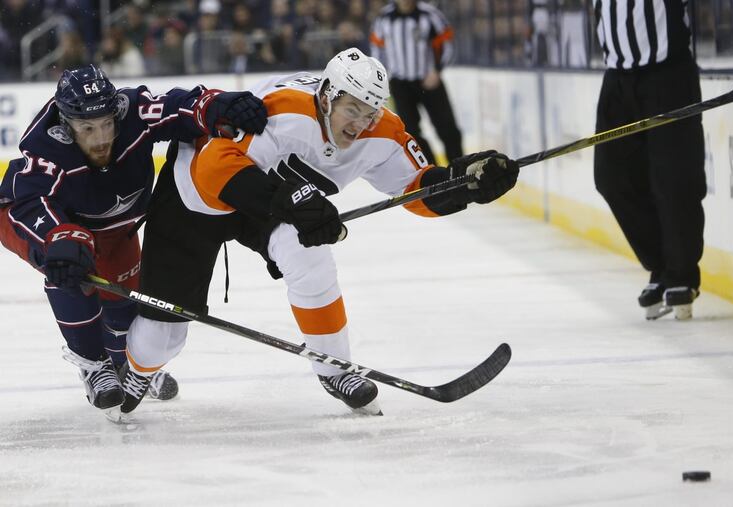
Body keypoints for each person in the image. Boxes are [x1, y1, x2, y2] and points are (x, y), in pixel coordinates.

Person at [118, 47, 519, 417]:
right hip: (197, 196)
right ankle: (137, 367)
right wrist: (291, 199)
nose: (362, 124)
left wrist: (460, 184)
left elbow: (413, 188)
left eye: (371, 112)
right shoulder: (283, 111)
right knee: (161, 338)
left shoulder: (384, 131)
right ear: (327, 97)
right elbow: (212, 168)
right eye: (353, 109)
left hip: (270, 199)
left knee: (310, 256)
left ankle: (335, 367)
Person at [0, 65, 268, 418]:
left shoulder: (134, 111)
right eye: (87, 128)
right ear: (67, 125)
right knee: (70, 268)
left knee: (125, 303)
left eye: (107, 124)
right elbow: (29, 200)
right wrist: (58, 236)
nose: (101, 138)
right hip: (37, 222)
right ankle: (95, 366)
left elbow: (180, 106)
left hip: (114, 227)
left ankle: (125, 365)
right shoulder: (45, 145)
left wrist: (217, 106)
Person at [593, 0, 705, 320]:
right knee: (611, 178)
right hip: (616, 78)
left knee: (674, 178)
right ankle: (661, 267)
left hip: (667, 73)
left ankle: (681, 275)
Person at [369, 0, 463, 166]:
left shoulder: (430, 14)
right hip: (400, 84)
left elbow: (448, 43)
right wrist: (384, 77)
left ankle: (460, 170)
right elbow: (377, 49)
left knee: (448, 129)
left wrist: (437, 70)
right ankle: (433, 171)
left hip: (429, 81)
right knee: (411, 132)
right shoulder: (384, 18)